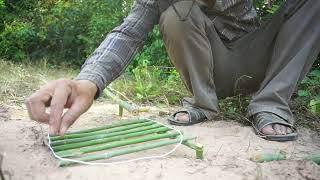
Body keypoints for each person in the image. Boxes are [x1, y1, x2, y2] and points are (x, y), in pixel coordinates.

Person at [25, 0, 320, 141]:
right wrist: (87, 82)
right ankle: (204, 104)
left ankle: (270, 104)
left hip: (259, 59)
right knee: (177, 12)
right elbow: (127, 34)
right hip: (212, 70)